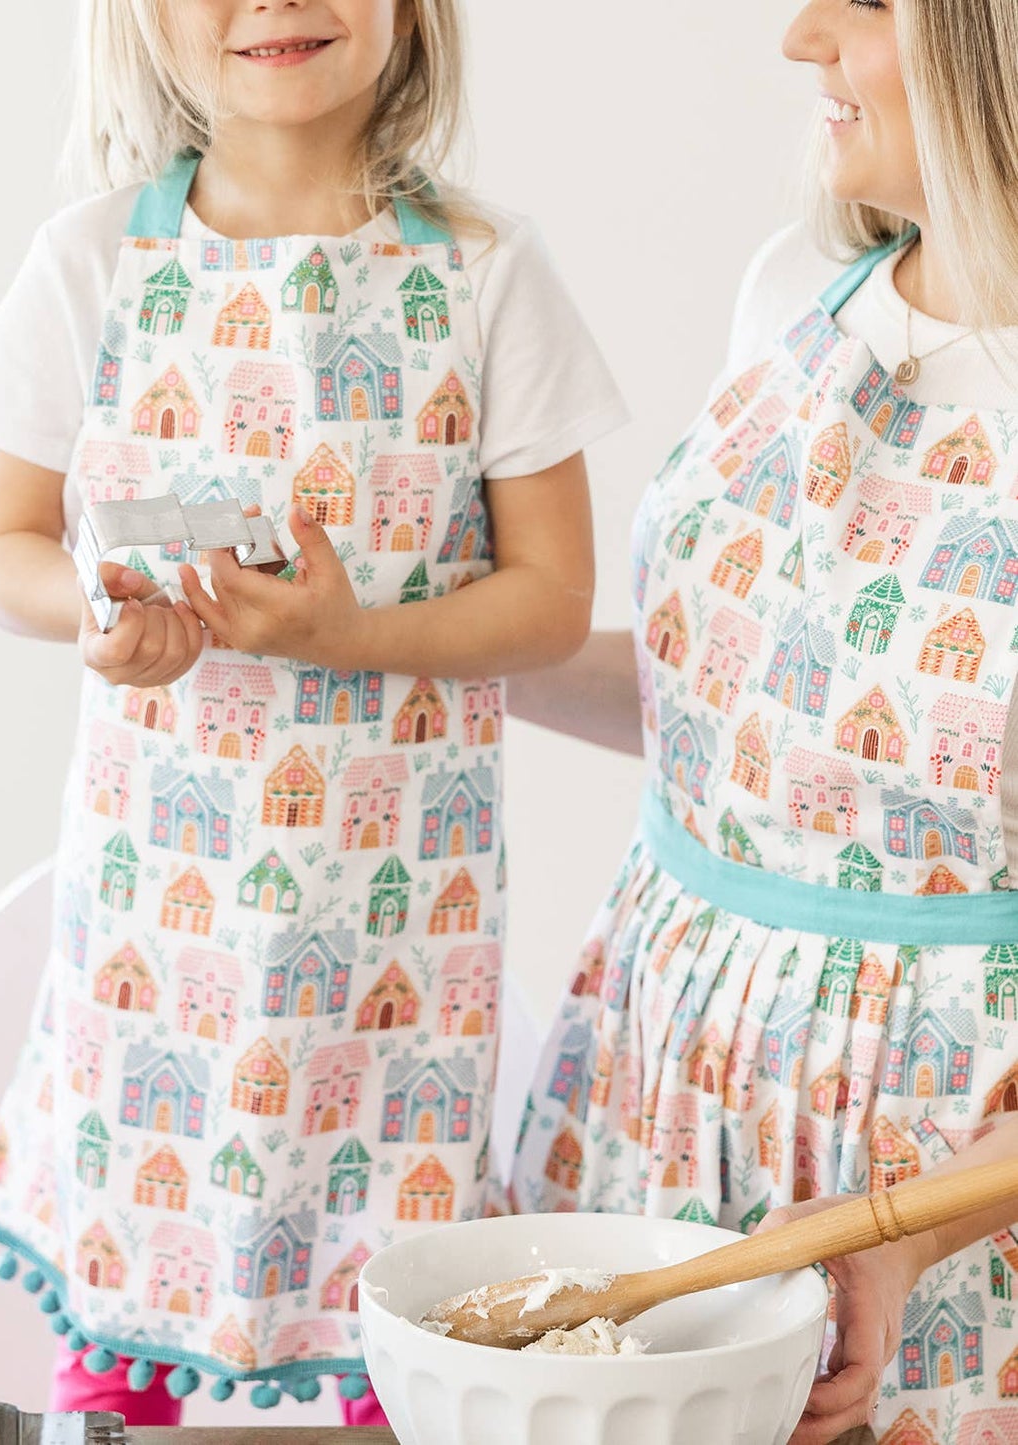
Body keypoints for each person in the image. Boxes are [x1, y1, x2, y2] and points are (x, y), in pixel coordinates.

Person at [0, 0, 626, 1423]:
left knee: (400, 1290)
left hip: (396, 915)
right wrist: (106, 614)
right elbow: (1, 548)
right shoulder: (93, 259)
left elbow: (550, 599)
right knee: (139, 1240)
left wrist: (355, 634)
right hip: (158, 906)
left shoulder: (487, 272)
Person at [507, 2, 1018, 1441]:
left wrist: (899, 1231)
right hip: (652, 1094)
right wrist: (407, 647)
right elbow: (744, 723)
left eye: (863, 4)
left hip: (944, 1192)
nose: (801, 39)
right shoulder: (802, 290)